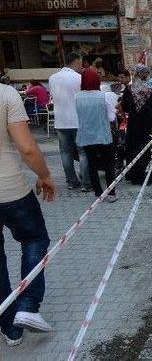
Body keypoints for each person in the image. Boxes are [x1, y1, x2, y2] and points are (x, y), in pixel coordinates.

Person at [1, 82, 56, 346]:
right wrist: (44, 175)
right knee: (35, 239)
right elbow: (27, 147)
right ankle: (29, 305)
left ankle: (8, 327)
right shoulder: (5, 94)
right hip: (9, 189)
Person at [49, 52, 91, 191]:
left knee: (65, 152)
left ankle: (71, 182)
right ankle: (86, 183)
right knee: (83, 153)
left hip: (61, 121)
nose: (82, 66)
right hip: (77, 120)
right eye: (81, 63)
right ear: (76, 62)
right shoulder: (79, 78)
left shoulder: (53, 78)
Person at [75, 67, 118, 202]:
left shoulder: (77, 97)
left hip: (86, 136)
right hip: (103, 135)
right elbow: (111, 118)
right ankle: (111, 193)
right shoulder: (104, 95)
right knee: (108, 165)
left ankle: (98, 193)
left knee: (91, 165)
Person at [121, 64, 152, 184]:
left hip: (134, 123)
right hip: (148, 123)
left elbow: (124, 107)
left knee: (134, 148)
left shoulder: (129, 90)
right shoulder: (151, 88)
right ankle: (147, 174)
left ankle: (134, 175)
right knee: (147, 148)